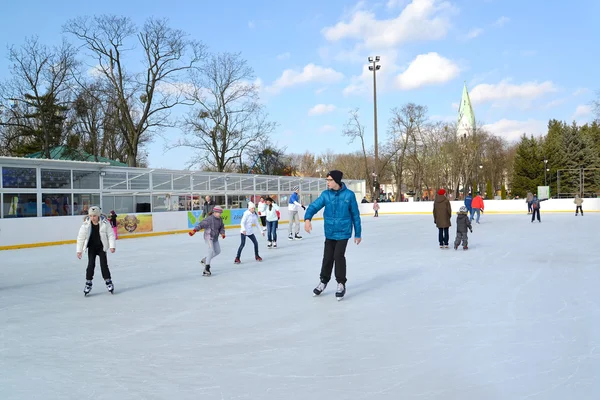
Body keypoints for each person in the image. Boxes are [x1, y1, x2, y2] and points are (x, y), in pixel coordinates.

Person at [304, 170, 362, 300]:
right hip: (330, 232)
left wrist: (358, 233)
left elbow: (355, 216)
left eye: (330, 180)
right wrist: (308, 219)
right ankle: (323, 281)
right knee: (327, 258)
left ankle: (341, 283)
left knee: (338, 256)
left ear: (336, 180)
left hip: (343, 232)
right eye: (327, 180)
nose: (328, 183)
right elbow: (314, 206)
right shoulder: (326, 195)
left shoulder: (349, 195)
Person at [76, 206, 116, 295]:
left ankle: (108, 281)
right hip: (92, 248)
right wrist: (79, 250)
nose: (92, 218)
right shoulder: (86, 224)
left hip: (102, 247)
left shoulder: (105, 223)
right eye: (90, 216)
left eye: (94, 216)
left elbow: (110, 235)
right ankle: (88, 282)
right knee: (91, 265)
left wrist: (112, 246)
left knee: (104, 265)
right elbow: (81, 238)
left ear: (98, 215)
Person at [189, 206, 226, 276]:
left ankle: (205, 260)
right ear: (215, 212)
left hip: (215, 237)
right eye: (219, 213)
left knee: (218, 251)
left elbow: (222, 227)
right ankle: (206, 268)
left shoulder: (220, 219)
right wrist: (194, 231)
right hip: (208, 237)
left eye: (221, 213)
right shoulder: (209, 219)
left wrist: (222, 233)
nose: (220, 214)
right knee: (211, 250)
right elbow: (201, 225)